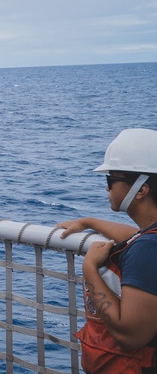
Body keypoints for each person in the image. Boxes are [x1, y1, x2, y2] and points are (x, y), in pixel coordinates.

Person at [58, 128, 157, 374]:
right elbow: (136, 237)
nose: (107, 189)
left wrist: (90, 268)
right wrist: (89, 222)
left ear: (141, 190)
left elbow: (131, 336)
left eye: (111, 180)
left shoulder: (147, 249)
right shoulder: (148, 240)